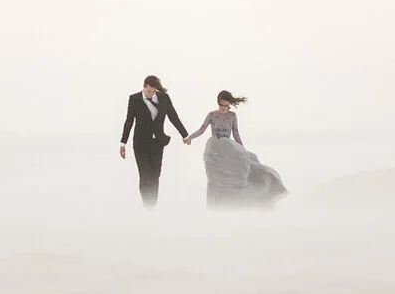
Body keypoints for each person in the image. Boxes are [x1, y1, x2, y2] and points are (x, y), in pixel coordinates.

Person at [187, 91, 286, 208]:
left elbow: (235, 132)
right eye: (221, 105)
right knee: (214, 178)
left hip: (228, 146)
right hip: (215, 148)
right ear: (218, 103)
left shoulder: (232, 116)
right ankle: (214, 205)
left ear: (229, 104)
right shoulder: (212, 115)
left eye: (226, 106)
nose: (224, 108)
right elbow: (202, 129)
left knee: (245, 165)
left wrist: (241, 147)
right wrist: (190, 138)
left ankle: (236, 203)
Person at [118, 76, 187, 207]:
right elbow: (129, 121)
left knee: (155, 175)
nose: (150, 93)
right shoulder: (134, 99)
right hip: (140, 144)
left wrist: (184, 134)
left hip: (157, 142)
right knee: (145, 175)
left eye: (153, 91)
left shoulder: (164, 98)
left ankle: (153, 206)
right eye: (148, 91)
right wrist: (123, 143)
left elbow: (173, 116)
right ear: (144, 86)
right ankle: (147, 206)